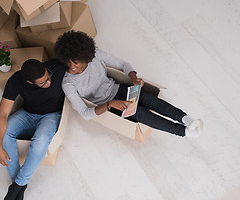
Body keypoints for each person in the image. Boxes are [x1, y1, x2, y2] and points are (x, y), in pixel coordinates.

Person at [54, 30, 202, 138]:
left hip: (119, 89)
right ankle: (183, 132)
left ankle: (186, 119)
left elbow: (123, 64)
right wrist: (110, 104)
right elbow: (86, 114)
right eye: (70, 61)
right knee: (141, 113)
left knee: (148, 99)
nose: (73, 65)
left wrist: (133, 77)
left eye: (78, 60)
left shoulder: (94, 55)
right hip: (109, 105)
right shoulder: (68, 84)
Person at [0, 59, 65, 200]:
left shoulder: (57, 67)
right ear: (30, 82)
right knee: (5, 133)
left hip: (51, 115)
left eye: (48, 77)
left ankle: (18, 184)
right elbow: (2, 115)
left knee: (40, 142)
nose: (49, 83)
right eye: (43, 83)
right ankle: (18, 184)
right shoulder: (16, 81)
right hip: (27, 114)